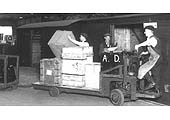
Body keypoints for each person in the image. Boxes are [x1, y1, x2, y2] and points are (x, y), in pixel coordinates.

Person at [135, 25, 162, 93]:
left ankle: (152, 84)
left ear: (150, 32)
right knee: (154, 73)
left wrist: (138, 45)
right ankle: (156, 88)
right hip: (155, 58)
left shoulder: (153, 39)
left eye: (146, 31)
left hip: (156, 58)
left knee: (143, 69)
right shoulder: (151, 39)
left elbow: (147, 43)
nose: (144, 32)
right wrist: (145, 53)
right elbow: (152, 49)